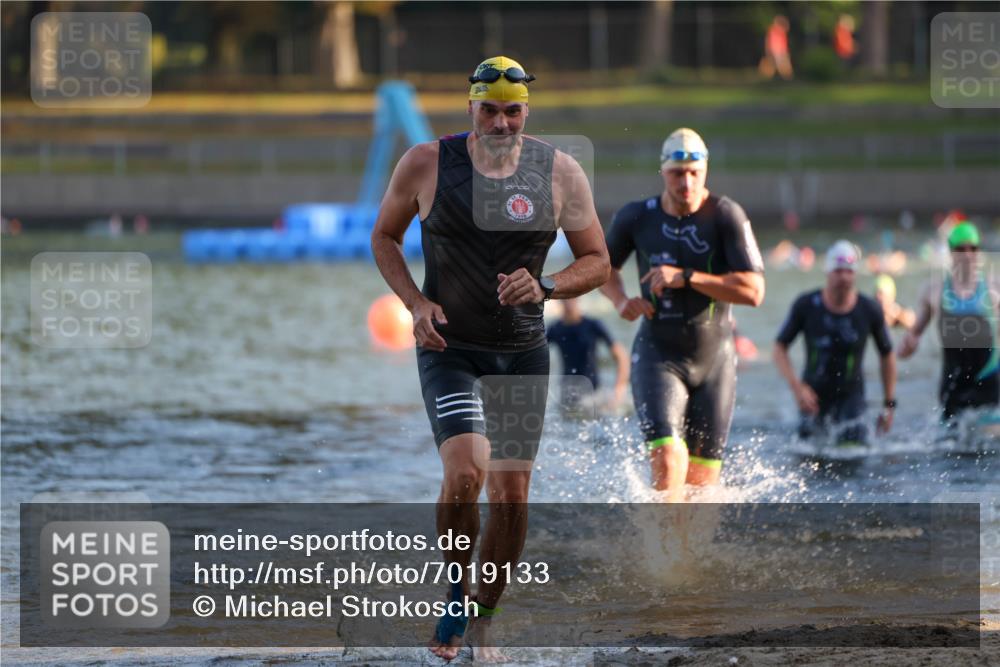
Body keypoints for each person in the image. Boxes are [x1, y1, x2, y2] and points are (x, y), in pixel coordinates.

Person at [371, 56, 610, 660]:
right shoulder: (427, 163)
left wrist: (549, 286)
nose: (501, 124)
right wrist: (415, 303)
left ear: (526, 113)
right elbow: (385, 237)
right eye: (489, 111)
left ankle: (484, 617)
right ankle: (455, 590)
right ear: (470, 108)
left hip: (522, 353)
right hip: (449, 348)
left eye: (512, 112)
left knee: (511, 497)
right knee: (465, 472)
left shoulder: (559, 172)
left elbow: (599, 262)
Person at [600, 127, 765, 502]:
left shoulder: (726, 215)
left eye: (695, 173)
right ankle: (664, 559)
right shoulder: (636, 217)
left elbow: (754, 292)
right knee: (670, 461)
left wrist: (687, 277)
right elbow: (601, 267)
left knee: (701, 490)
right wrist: (621, 300)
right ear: (663, 172)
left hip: (714, 360)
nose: (686, 183)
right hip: (660, 355)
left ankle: (684, 558)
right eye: (677, 174)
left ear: (705, 172)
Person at [774, 241, 897, 450]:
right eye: (838, 271)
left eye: (849, 271)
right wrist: (797, 388)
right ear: (828, 272)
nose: (844, 277)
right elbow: (779, 348)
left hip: (852, 397)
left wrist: (889, 405)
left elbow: (887, 355)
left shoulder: (869, 309)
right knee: (808, 455)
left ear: (856, 274)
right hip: (812, 396)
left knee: (852, 453)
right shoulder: (806, 305)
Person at [899, 222, 999, 424]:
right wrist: (909, 344)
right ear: (951, 252)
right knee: (951, 449)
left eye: (973, 248)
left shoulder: (994, 287)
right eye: (961, 249)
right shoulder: (934, 290)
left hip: (988, 385)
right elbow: (913, 335)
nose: (968, 254)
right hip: (953, 387)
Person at [546, 297, 629, 412]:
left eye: (572, 298)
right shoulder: (555, 329)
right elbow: (535, 356)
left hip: (593, 393)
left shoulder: (592, 325)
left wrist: (619, 388)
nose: (568, 301)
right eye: (564, 298)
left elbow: (621, 356)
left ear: (578, 298)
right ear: (559, 300)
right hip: (567, 394)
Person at [759, 15, 793, 80]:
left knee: (783, 66)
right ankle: (785, 79)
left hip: (780, 50)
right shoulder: (773, 30)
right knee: (778, 66)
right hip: (776, 50)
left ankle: (786, 79)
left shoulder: (780, 31)